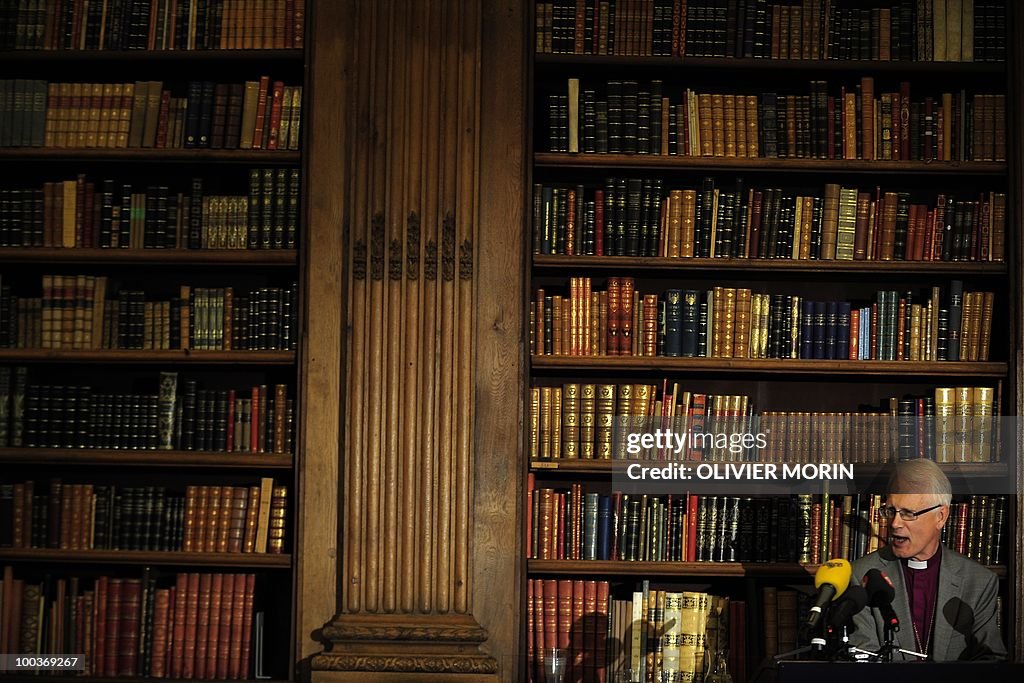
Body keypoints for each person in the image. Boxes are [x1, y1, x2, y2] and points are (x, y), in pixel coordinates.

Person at [849, 459, 1007, 661]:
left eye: (908, 513)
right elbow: (862, 659)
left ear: (940, 516)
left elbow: (991, 661)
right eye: (890, 511)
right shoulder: (861, 575)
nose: (895, 523)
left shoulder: (979, 581)